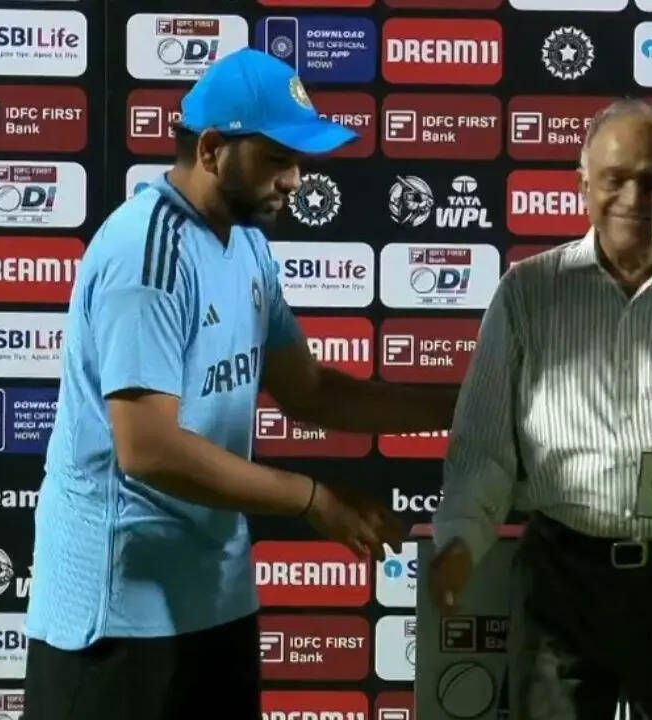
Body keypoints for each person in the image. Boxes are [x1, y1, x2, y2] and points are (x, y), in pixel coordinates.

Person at [23, 49, 459, 720]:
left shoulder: (247, 242)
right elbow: (148, 448)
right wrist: (311, 498)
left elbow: (310, 391)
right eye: (277, 159)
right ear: (211, 150)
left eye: (299, 162)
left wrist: (466, 405)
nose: (295, 181)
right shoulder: (147, 253)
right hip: (120, 620)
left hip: (214, 601)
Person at [426, 99, 652, 719]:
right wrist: (458, 542)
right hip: (561, 579)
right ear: (583, 184)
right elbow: (484, 446)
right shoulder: (528, 292)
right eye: (615, 178)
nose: (633, 198)